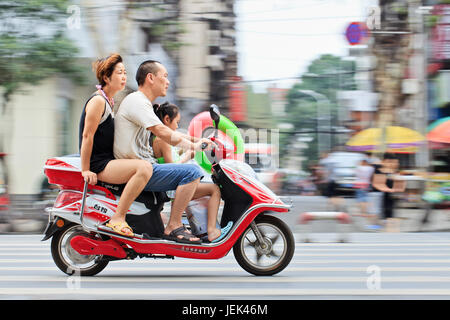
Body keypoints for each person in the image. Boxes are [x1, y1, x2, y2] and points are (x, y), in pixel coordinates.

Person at [114, 60, 215, 244]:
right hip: (140, 169)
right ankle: (174, 225)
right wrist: (194, 147)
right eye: (165, 77)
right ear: (150, 78)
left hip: (143, 166)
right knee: (192, 173)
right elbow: (163, 132)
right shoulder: (138, 102)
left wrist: (198, 141)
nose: (168, 82)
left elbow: (170, 132)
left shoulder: (142, 103)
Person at [79, 54, 154, 237]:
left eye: (125, 72)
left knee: (146, 165)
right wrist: (86, 170)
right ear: (106, 78)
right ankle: (117, 219)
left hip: (107, 160)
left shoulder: (109, 101)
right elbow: (87, 136)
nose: (124, 77)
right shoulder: (98, 101)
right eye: (119, 73)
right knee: (143, 169)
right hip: (100, 164)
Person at [151, 101, 231, 242]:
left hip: (175, 184)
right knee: (214, 190)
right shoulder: (161, 140)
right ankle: (211, 230)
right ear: (167, 120)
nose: (177, 126)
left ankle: (200, 229)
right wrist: (188, 155)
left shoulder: (168, 137)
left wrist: (202, 142)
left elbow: (186, 140)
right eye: (176, 122)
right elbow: (171, 169)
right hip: (172, 187)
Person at [372, 153, 406, 232]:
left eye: (396, 162)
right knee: (382, 210)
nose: (395, 164)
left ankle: (386, 227)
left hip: (389, 195)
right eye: (392, 162)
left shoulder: (390, 170)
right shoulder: (379, 169)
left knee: (389, 211)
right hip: (380, 194)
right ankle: (380, 225)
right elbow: (378, 183)